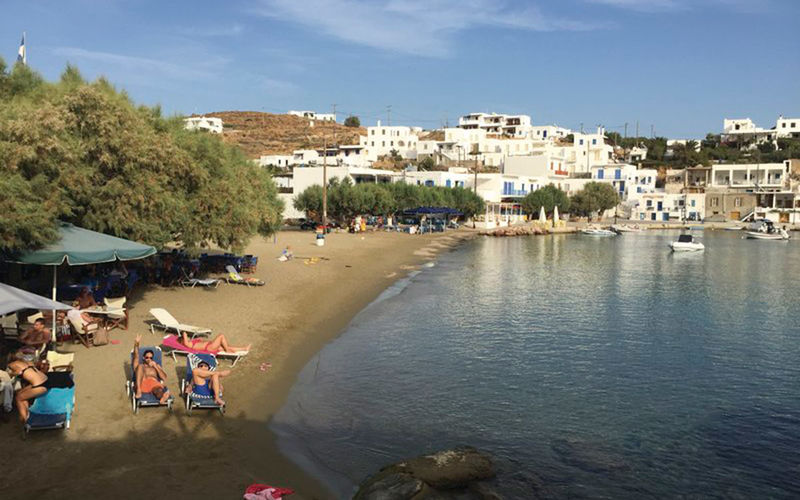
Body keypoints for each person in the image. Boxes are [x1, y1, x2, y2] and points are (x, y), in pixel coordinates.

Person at [6, 357, 73, 423]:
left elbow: (17, 373)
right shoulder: (27, 362)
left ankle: (24, 419)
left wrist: (12, 374)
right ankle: (27, 414)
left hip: (40, 385)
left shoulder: (12, 364)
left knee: (18, 398)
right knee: (20, 393)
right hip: (46, 380)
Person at [132, 335, 170, 403]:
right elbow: (136, 355)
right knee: (140, 366)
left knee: (158, 390)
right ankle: (139, 390)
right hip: (141, 383)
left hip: (154, 384)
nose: (149, 359)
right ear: (143, 357)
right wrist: (136, 343)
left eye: (151, 358)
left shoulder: (156, 366)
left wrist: (155, 366)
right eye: (147, 357)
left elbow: (164, 378)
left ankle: (162, 397)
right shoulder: (138, 366)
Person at [179, 331, 250, 354]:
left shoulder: (190, 342)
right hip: (209, 347)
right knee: (221, 336)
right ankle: (227, 350)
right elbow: (185, 341)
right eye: (186, 338)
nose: (187, 338)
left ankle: (244, 349)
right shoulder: (188, 344)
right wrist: (184, 333)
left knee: (226, 346)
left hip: (209, 346)